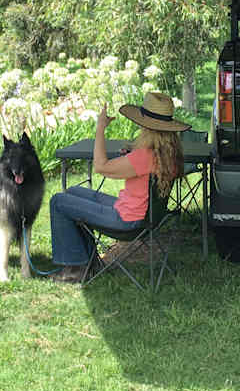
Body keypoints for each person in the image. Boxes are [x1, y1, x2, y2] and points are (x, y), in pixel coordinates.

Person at [47, 91, 187, 282]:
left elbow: (100, 166)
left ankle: (76, 269)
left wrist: (100, 128)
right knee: (73, 192)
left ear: (146, 125)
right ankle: (88, 262)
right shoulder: (168, 153)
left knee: (58, 201)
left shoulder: (144, 156)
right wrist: (131, 154)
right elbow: (145, 166)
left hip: (127, 221)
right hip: (146, 216)